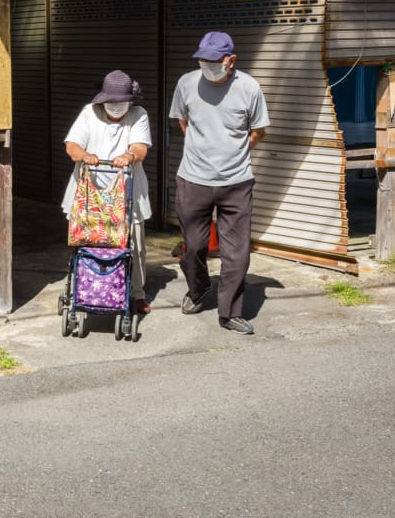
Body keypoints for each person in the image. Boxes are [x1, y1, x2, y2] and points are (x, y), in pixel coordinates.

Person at [168, 31, 269, 335]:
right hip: (193, 179)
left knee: (237, 252)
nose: (207, 65)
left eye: (213, 61)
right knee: (194, 246)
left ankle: (230, 312)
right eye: (202, 60)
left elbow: (258, 130)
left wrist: (234, 152)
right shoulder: (187, 83)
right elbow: (182, 121)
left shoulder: (249, 87)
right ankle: (198, 290)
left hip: (236, 182)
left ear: (230, 59)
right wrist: (202, 148)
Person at [61, 70, 153, 315]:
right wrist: (85, 156)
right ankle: (85, 287)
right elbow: (72, 146)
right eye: (110, 102)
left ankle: (136, 294)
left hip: (127, 192)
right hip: (89, 191)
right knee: (87, 242)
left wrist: (129, 156)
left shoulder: (138, 115)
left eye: (121, 103)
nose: (115, 107)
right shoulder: (89, 112)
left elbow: (140, 147)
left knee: (134, 244)